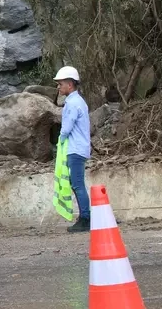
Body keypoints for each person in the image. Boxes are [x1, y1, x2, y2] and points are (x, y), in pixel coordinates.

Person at [54, 66, 91, 233]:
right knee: (77, 183)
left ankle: (85, 218)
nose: (58, 87)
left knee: (77, 184)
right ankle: (84, 217)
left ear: (70, 84)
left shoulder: (73, 103)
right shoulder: (78, 101)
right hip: (78, 148)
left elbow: (66, 128)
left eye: (60, 84)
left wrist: (60, 141)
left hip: (75, 149)